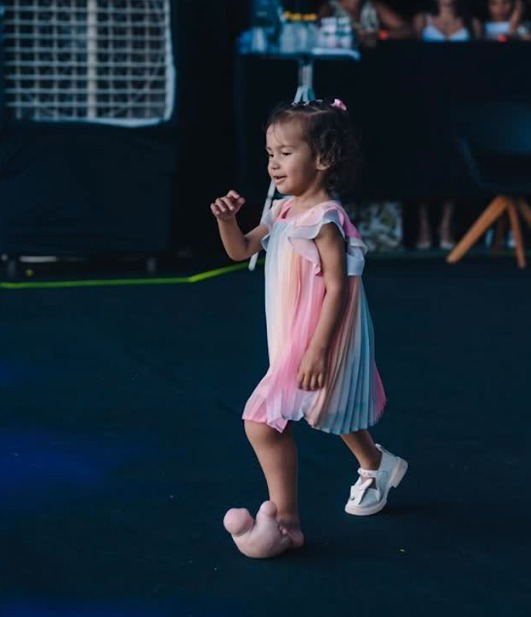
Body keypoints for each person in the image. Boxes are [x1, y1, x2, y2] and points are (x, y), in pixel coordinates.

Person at [210, 98, 408, 558]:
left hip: (321, 335)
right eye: (269, 154)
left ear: (323, 158)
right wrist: (227, 221)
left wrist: (319, 350)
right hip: (289, 333)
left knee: (262, 421)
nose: (273, 164)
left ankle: (287, 524)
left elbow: (338, 288)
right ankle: (377, 463)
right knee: (328, 409)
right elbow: (240, 250)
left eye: (285, 153)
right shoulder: (282, 211)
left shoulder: (325, 220)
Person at [412, 1, 482, 250]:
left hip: (461, 99)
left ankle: (446, 224)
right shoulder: (421, 20)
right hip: (426, 99)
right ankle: (423, 225)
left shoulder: (472, 24)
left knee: (454, 161)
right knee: (423, 161)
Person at [317, 0, 413, 45]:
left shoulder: (374, 6)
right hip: (340, 65)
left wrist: (380, 35)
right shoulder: (329, 7)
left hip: (373, 62)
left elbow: (407, 30)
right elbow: (318, 33)